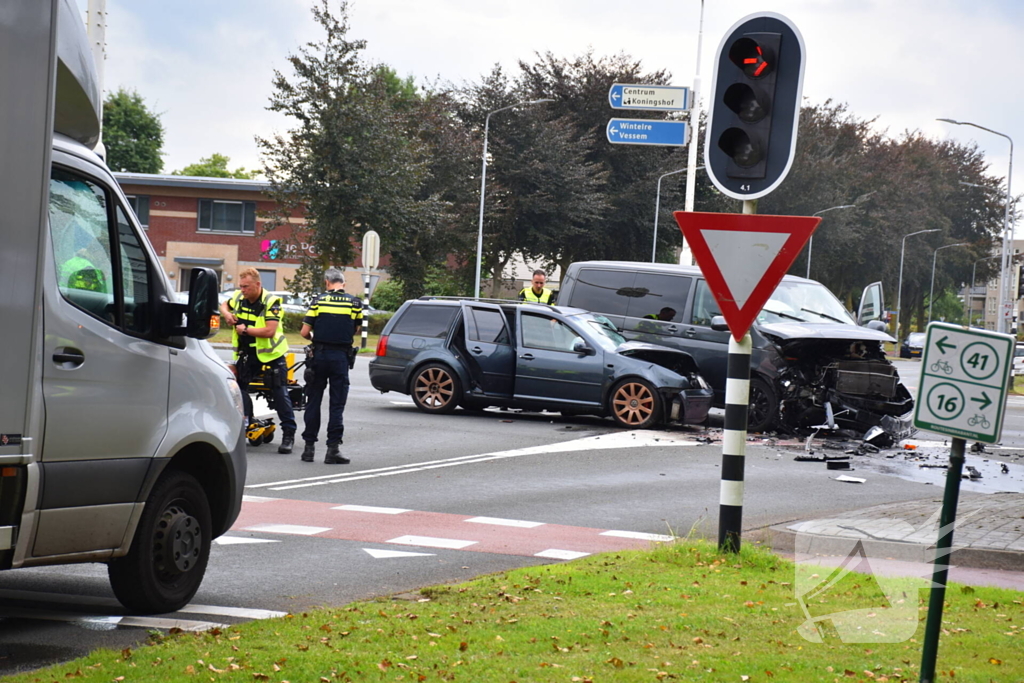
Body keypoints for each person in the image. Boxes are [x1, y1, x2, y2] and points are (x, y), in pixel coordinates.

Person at [220, 268, 297, 454]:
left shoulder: (271, 302)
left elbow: (269, 330)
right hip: (248, 354)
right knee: (238, 390)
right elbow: (224, 304)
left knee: (279, 393)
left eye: (246, 286)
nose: (243, 290)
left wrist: (245, 330)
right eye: (241, 286)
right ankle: (247, 424)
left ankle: (289, 435)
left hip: (272, 355)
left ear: (258, 285)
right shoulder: (239, 297)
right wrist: (227, 315)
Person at [298, 266, 363, 465]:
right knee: (337, 404)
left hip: (318, 356)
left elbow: (303, 332)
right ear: (343, 283)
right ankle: (332, 449)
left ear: (327, 282)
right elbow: (356, 330)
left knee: (313, 401)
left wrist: (315, 338)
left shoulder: (318, 301)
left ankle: (308, 450)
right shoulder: (354, 303)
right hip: (340, 357)